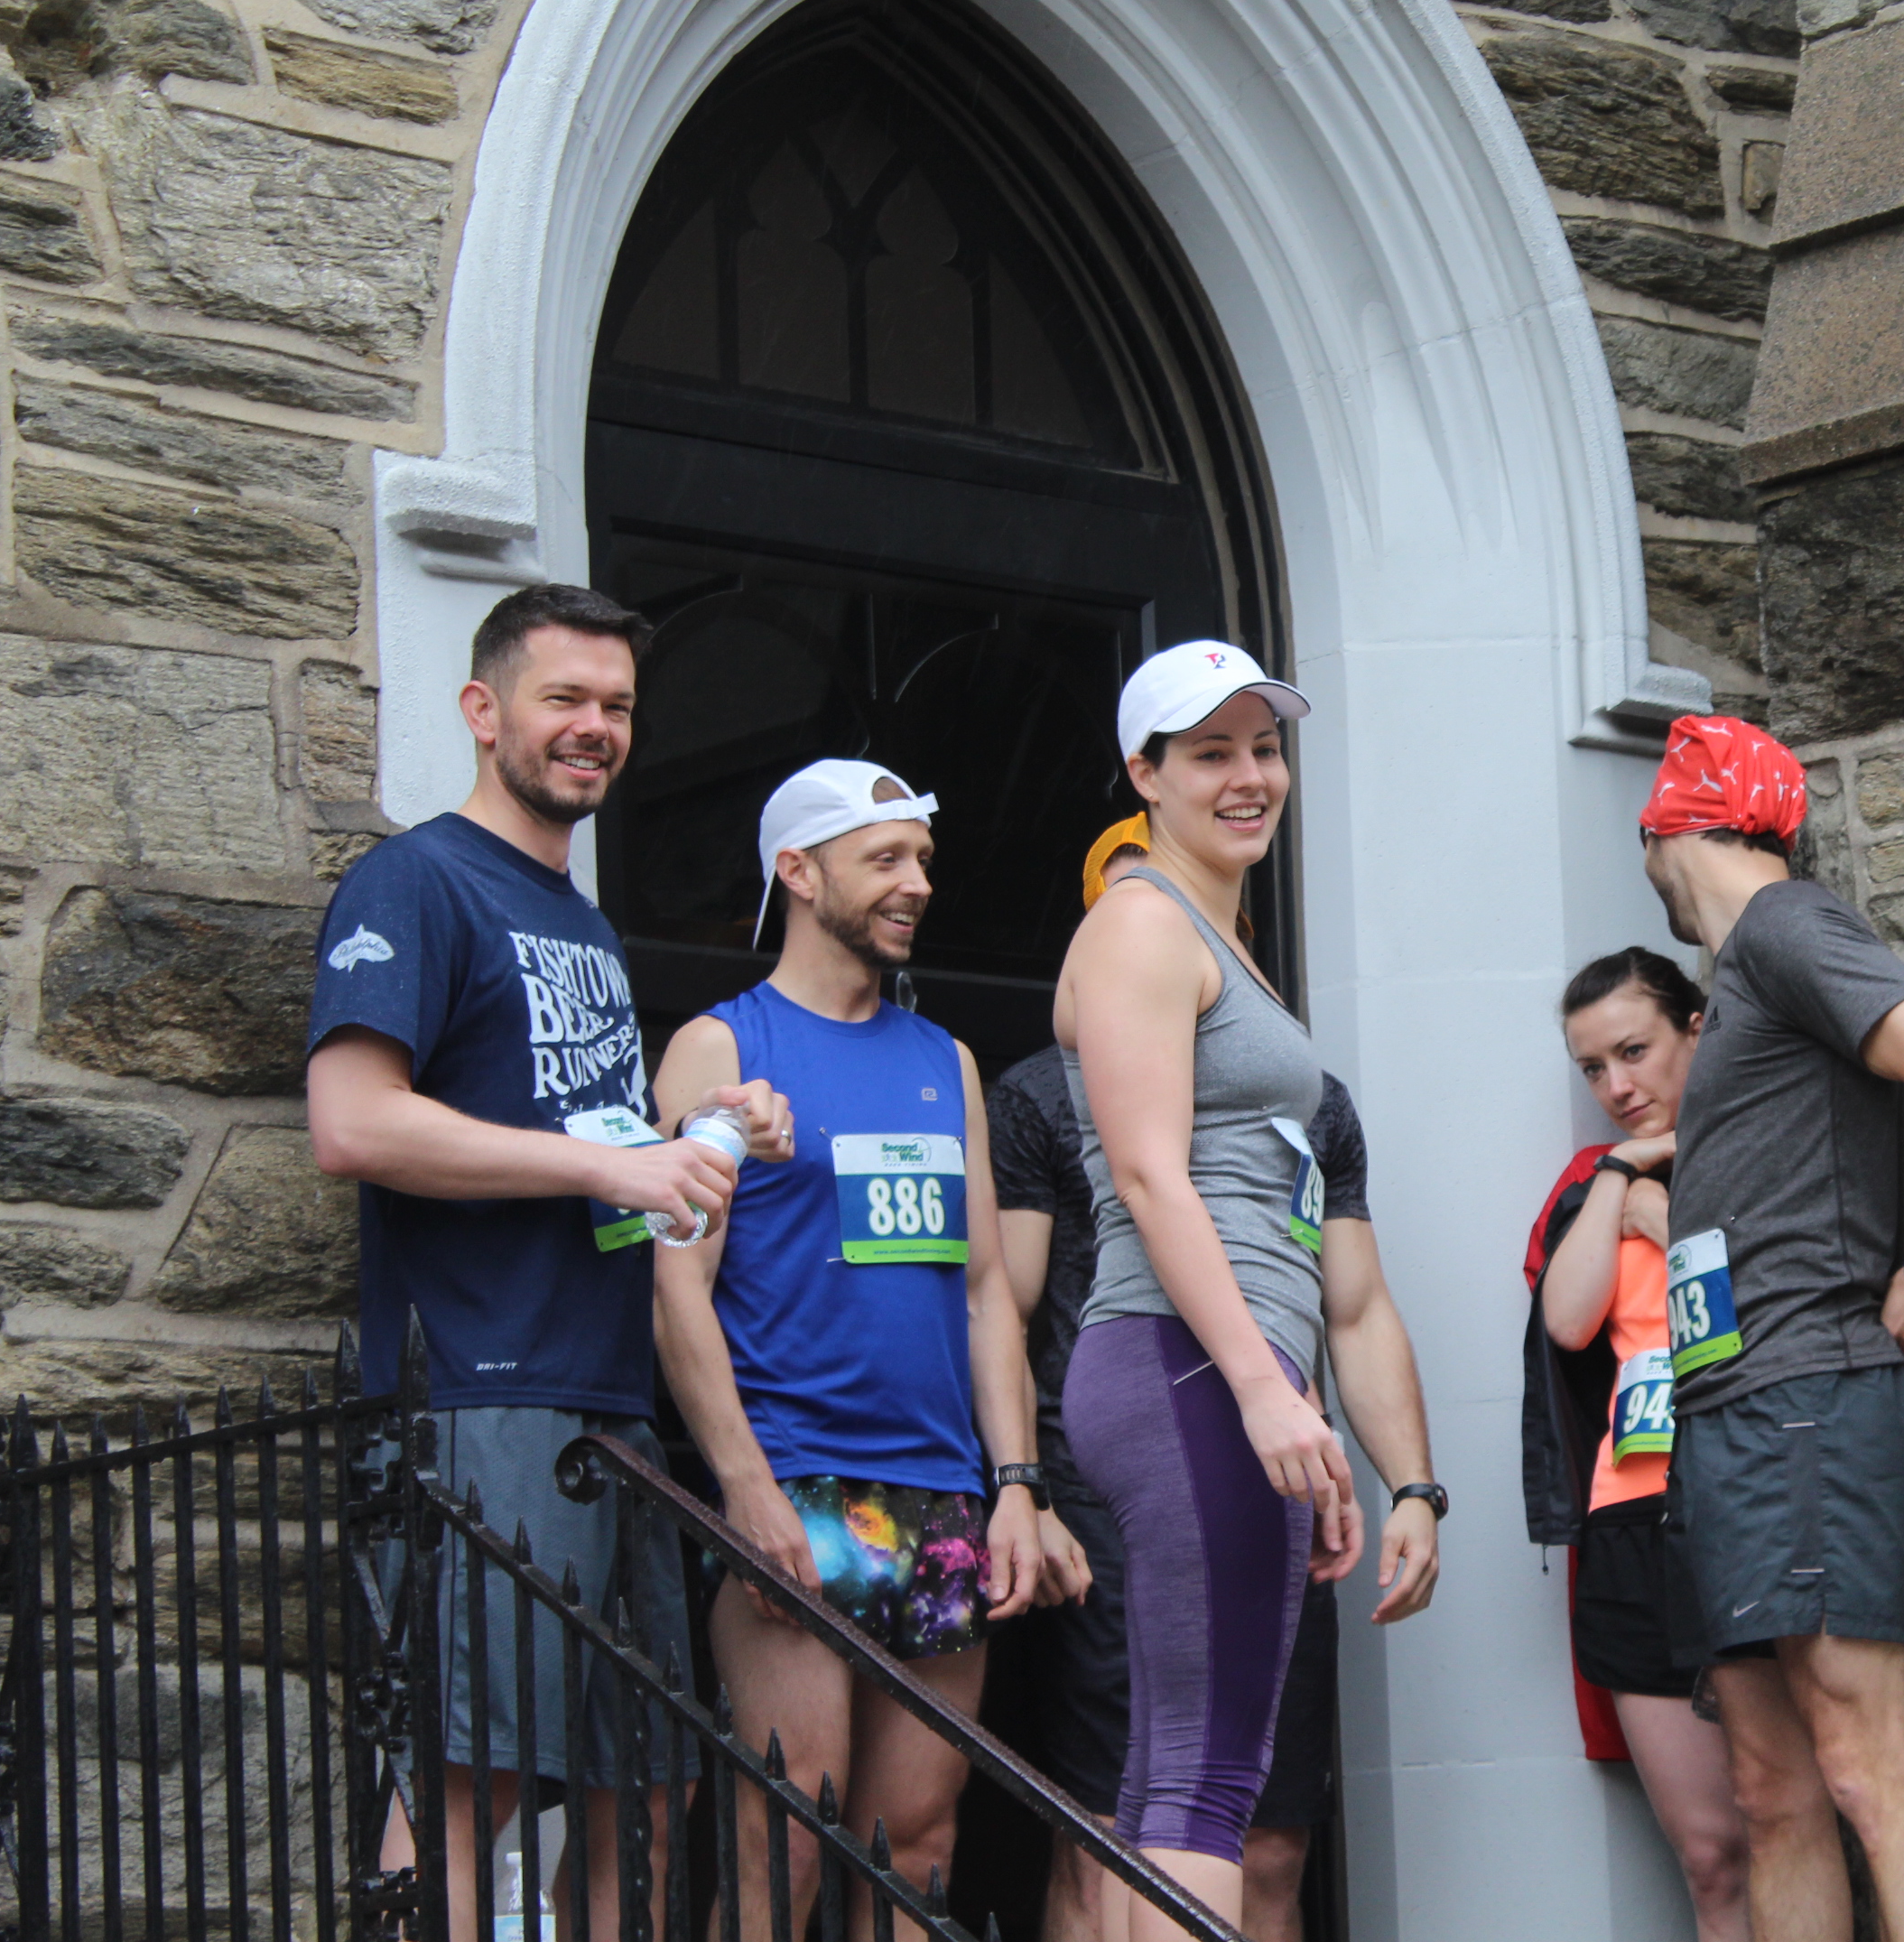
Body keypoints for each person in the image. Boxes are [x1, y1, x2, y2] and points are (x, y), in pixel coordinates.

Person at [306, 582, 794, 1942]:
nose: (595, 727)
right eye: (564, 698)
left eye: (618, 706)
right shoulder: (416, 880)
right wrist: (609, 1165)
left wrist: (697, 1138)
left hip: (608, 1403)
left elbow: (587, 1150)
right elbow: (353, 1125)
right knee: (473, 1787)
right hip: (481, 1392)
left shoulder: (582, 922)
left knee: (648, 1802)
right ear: (484, 710)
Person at [1053, 642, 1446, 1942]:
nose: (1250, 777)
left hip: (1209, 1366)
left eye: (1265, 749)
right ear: (1145, 774)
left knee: (1173, 1777)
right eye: (1211, 752)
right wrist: (1266, 1396)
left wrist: (1316, 1419)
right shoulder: (1140, 923)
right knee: (1209, 1779)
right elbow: (1149, 1177)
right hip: (1184, 1360)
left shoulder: (1208, 931)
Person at [651, 758, 1052, 1918]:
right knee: (789, 1832)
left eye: (921, 858)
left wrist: (1016, 1486)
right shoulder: (720, 1047)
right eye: (885, 859)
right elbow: (676, 1292)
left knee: (917, 1846)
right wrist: (745, 1488)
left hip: (942, 1492)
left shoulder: (945, 1060)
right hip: (799, 1486)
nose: (917, 882)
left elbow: (985, 1291)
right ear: (798, 870)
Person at [1635, 716, 1904, 1942]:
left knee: (1860, 1764)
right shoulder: (1746, 966)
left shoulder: (1785, 925)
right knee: (1771, 1788)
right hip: (1727, 1409)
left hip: (1807, 1391)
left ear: (1664, 827)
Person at [1524, 948, 1751, 1942]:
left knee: (1784, 1815)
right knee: (1709, 1853)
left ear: (1695, 1030)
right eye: (1592, 1068)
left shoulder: (1756, 1147)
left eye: (1634, 1051)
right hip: (1630, 1518)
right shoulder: (1596, 1185)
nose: (1616, 1087)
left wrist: (1671, 1216)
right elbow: (1568, 1320)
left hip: (1746, 1496)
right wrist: (1622, 1175)